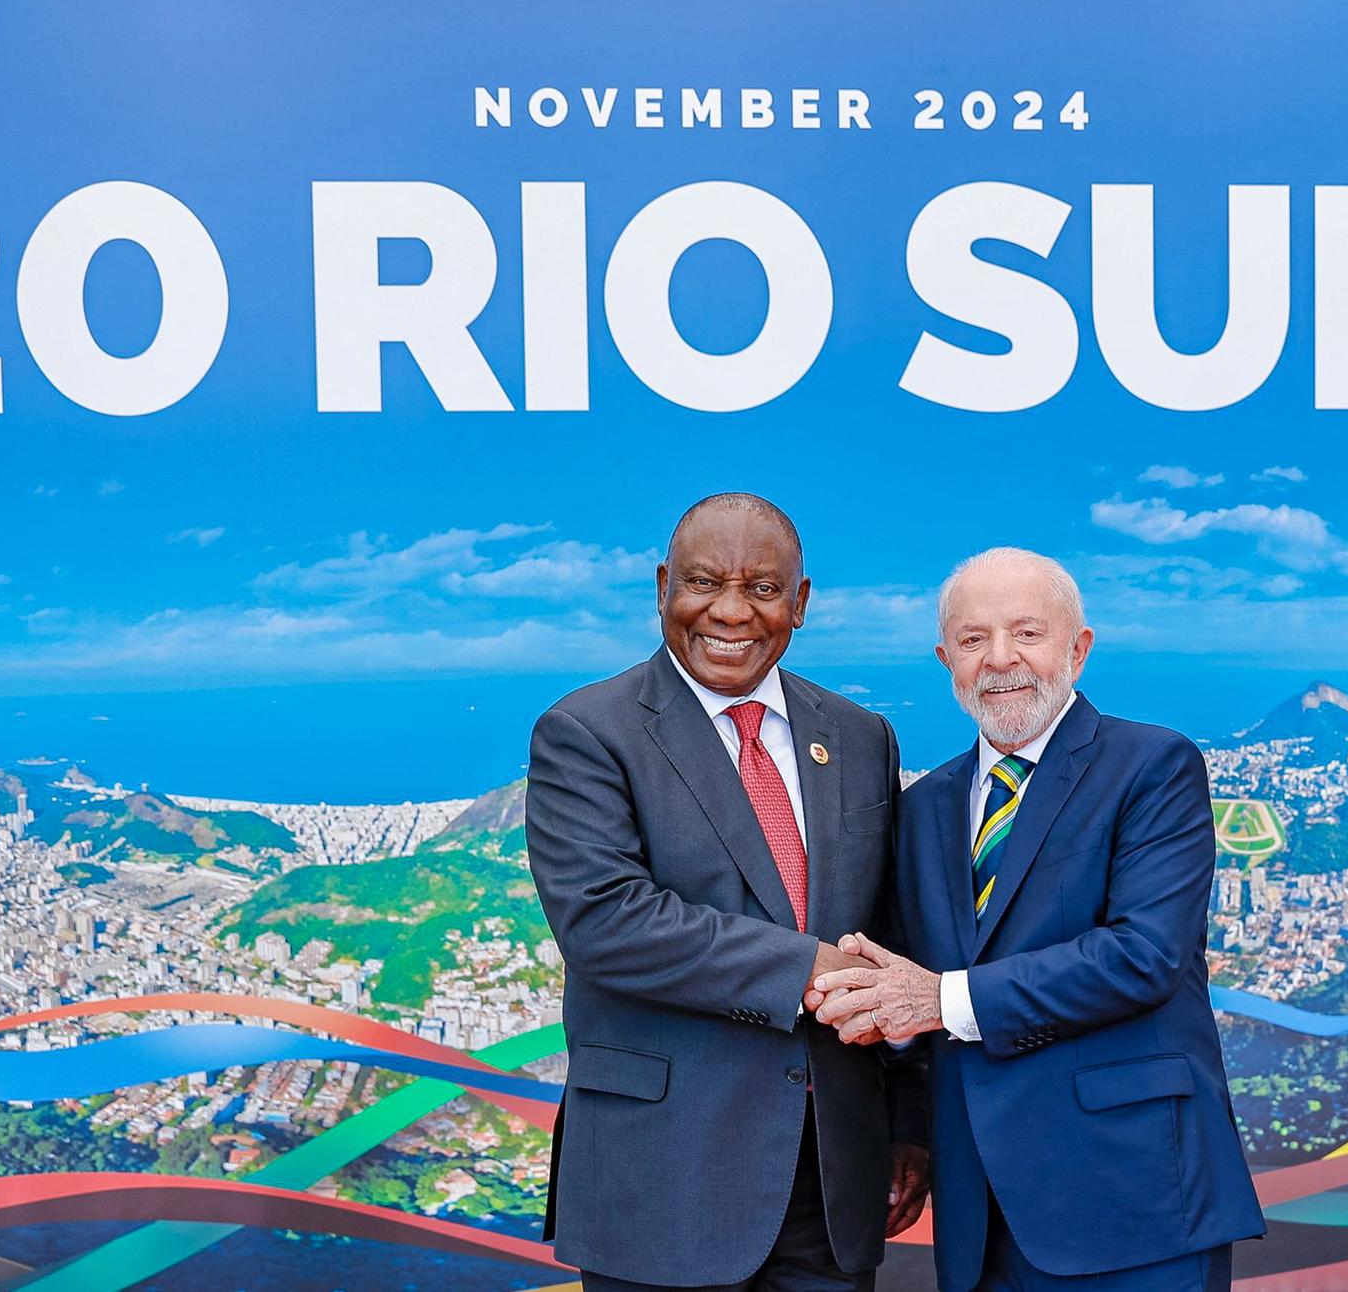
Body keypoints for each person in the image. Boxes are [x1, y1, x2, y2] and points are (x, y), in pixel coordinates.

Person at [809, 547, 1264, 1291]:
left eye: (1027, 632)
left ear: (1077, 649)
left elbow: (1143, 956)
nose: (1000, 659)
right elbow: (906, 983)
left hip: (1132, 1197)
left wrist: (944, 1000)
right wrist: (909, 1135)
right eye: (973, 639)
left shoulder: (1154, 766)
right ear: (944, 659)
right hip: (978, 1211)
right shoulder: (923, 809)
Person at [526, 493, 929, 1291]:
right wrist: (809, 970)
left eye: (764, 589)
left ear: (802, 603)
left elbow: (894, 938)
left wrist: (907, 1125)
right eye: (705, 583)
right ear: (662, 587)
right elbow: (608, 922)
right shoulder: (586, 731)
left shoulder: (858, 735)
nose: (732, 612)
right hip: (665, 1182)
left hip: (834, 1185)